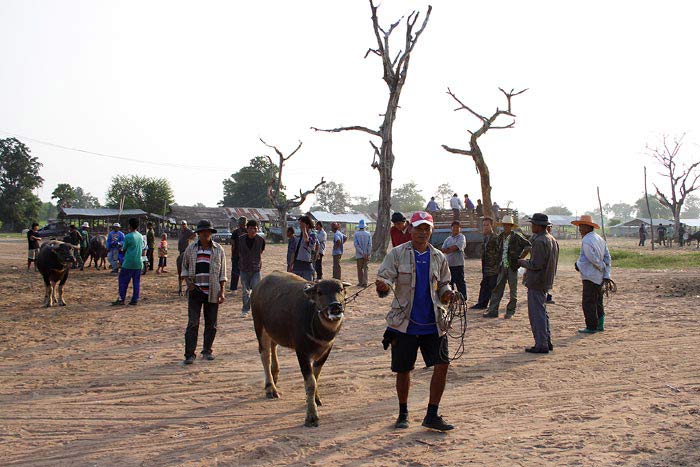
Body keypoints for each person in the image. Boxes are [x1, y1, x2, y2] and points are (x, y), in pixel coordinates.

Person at [376, 211, 455, 432]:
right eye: (418, 228)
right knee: (404, 370)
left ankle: (432, 414)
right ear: (410, 229)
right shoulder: (397, 254)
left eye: (426, 229)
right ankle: (403, 413)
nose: (422, 232)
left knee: (442, 366)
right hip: (404, 323)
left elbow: (445, 284)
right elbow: (385, 277)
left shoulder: (439, 257)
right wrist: (382, 284)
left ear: (432, 231)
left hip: (434, 323)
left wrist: (448, 294)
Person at [181, 219, 227, 364]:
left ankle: (207, 350)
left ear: (211, 233)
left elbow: (222, 273)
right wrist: (189, 283)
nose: (205, 234)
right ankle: (189, 354)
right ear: (198, 233)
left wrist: (222, 291)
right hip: (196, 291)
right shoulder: (191, 249)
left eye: (208, 231)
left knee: (211, 324)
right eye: (202, 232)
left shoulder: (219, 250)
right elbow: (184, 268)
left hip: (213, 291)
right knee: (193, 323)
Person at [518, 213, 559, 353]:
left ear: (539, 226)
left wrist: (521, 262)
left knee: (537, 314)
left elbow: (536, 264)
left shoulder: (540, 241)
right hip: (545, 280)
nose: (531, 226)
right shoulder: (551, 239)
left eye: (533, 224)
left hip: (537, 281)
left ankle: (541, 344)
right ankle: (546, 341)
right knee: (542, 311)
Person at [484, 215, 531, 319]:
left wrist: (520, 258)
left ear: (511, 226)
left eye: (507, 225)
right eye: (504, 225)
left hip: (512, 266)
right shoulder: (500, 237)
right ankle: (493, 310)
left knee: (513, 290)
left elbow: (528, 246)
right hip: (502, 266)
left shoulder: (516, 237)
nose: (506, 227)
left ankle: (510, 311)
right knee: (497, 289)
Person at [571, 215, 611, 334]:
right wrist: (606, 272)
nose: (580, 229)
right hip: (599, 276)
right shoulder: (600, 239)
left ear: (588, 227)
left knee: (588, 302)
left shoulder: (587, 240)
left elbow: (591, 258)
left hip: (590, 275)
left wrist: (600, 266)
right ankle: (600, 324)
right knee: (598, 300)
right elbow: (607, 257)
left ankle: (591, 326)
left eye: (581, 226)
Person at [113, 217, 144, 306]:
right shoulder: (140, 236)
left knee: (123, 281)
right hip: (138, 263)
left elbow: (124, 249)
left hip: (128, 263)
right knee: (136, 282)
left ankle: (122, 299)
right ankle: (135, 299)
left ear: (129, 225)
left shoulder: (128, 236)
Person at [470, 217, 500, 310]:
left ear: (492, 225)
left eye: (487, 225)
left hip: (494, 268)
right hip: (486, 267)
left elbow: (500, 252)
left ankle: (493, 307)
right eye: (484, 225)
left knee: (493, 287)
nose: (485, 227)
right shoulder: (485, 238)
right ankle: (482, 304)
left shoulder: (495, 238)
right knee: (484, 286)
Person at [238, 219, 266, 318]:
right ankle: (245, 309)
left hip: (256, 269)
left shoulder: (261, 240)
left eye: (255, 228)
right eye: (250, 228)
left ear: (257, 229)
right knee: (245, 291)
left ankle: (256, 310)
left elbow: (261, 251)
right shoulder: (241, 239)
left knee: (256, 290)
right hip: (244, 268)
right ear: (247, 229)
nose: (252, 230)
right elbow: (238, 252)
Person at [441, 220, 467, 298]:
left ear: (460, 229)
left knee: (460, 282)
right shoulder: (448, 238)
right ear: (451, 228)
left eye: (457, 227)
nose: (455, 229)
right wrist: (451, 249)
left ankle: (463, 298)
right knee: (449, 283)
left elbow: (457, 247)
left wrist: (449, 249)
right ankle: (451, 299)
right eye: (454, 227)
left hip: (458, 264)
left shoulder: (462, 237)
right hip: (449, 265)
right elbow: (443, 249)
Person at [289, 215, 317, 281]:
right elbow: (294, 251)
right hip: (297, 265)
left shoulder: (313, 234)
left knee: (307, 287)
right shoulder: (298, 236)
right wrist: (291, 264)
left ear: (307, 225)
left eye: (301, 224)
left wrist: (304, 229)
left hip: (307, 266)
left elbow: (307, 240)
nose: (300, 226)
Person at [177, 220, 196, 293]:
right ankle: (181, 286)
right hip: (181, 250)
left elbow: (194, 234)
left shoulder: (188, 231)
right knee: (180, 264)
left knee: (187, 267)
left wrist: (189, 239)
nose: (183, 225)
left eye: (184, 224)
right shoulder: (181, 231)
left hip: (186, 250)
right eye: (182, 224)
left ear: (186, 225)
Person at [229, 216, 248, 292]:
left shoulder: (235, 232)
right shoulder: (248, 232)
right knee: (246, 272)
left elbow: (233, 245)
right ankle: (246, 288)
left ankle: (234, 289)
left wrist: (232, 255)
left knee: (235, 272)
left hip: (236, 255)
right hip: (246, 256)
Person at [354, 219, 372, 287]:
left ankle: (360, 282)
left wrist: (362, 253)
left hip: (359, 254)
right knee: (366, 268)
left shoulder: (356, 234)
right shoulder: (368, 234)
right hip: (367, 254)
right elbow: (370, 245)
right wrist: (368, 253)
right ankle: (365, 282)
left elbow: (356, 245)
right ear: (364, 227)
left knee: (359, 269)